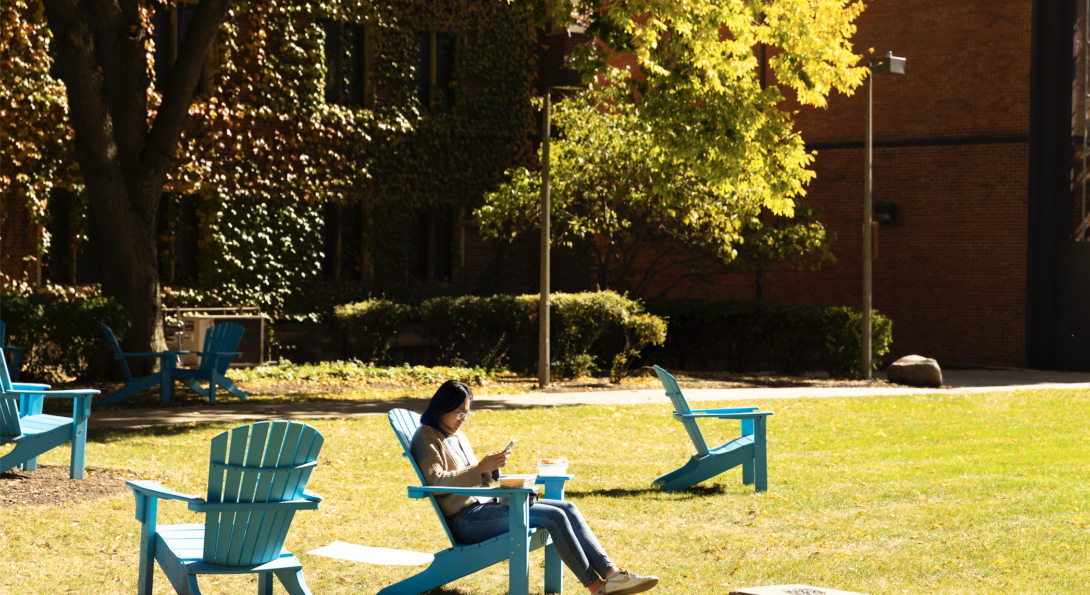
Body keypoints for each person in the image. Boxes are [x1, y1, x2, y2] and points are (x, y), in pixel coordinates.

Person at [410, 379, 659, 595]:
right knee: (554, 516)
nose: (463, 419)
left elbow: (477, 480)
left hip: (484, 508)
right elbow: (437, 482)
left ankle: (613, 574)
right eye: (458, 412)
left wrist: (490, 467)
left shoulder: (457, 436)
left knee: (568, 507)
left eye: (467, 413)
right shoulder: (427, 435)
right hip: (466, 520)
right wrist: (478, 468)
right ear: (441, 407)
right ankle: (597, 588)